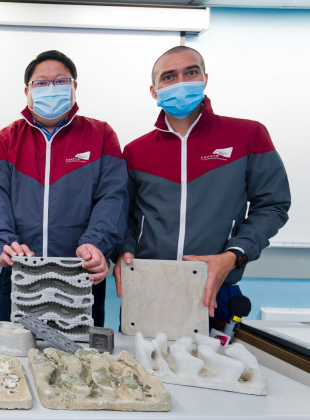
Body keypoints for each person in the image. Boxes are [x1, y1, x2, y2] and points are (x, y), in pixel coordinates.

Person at [114, 46, 291, 328]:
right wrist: (123, 254)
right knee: (144, 370)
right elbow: (124, 217)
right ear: (154, 90)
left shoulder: (248, 135)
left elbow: (272, 206)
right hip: (150, 287)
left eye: (190, 72)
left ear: (204, 78)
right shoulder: (136, 151)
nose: (181, 82)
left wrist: (234, 255)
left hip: (217, 287)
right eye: (169, 77)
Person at [0, 50, 128, 326]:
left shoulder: (101, 135)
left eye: (60, 81)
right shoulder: (6, 139)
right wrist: (3, 244)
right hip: (20, 274)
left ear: (74, 87)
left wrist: (96, 245)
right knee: (16, 359)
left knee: (82, 360)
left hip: (81, 275)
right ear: (27, 91)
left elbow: (113, 197)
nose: (51, 88)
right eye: (41, 83)